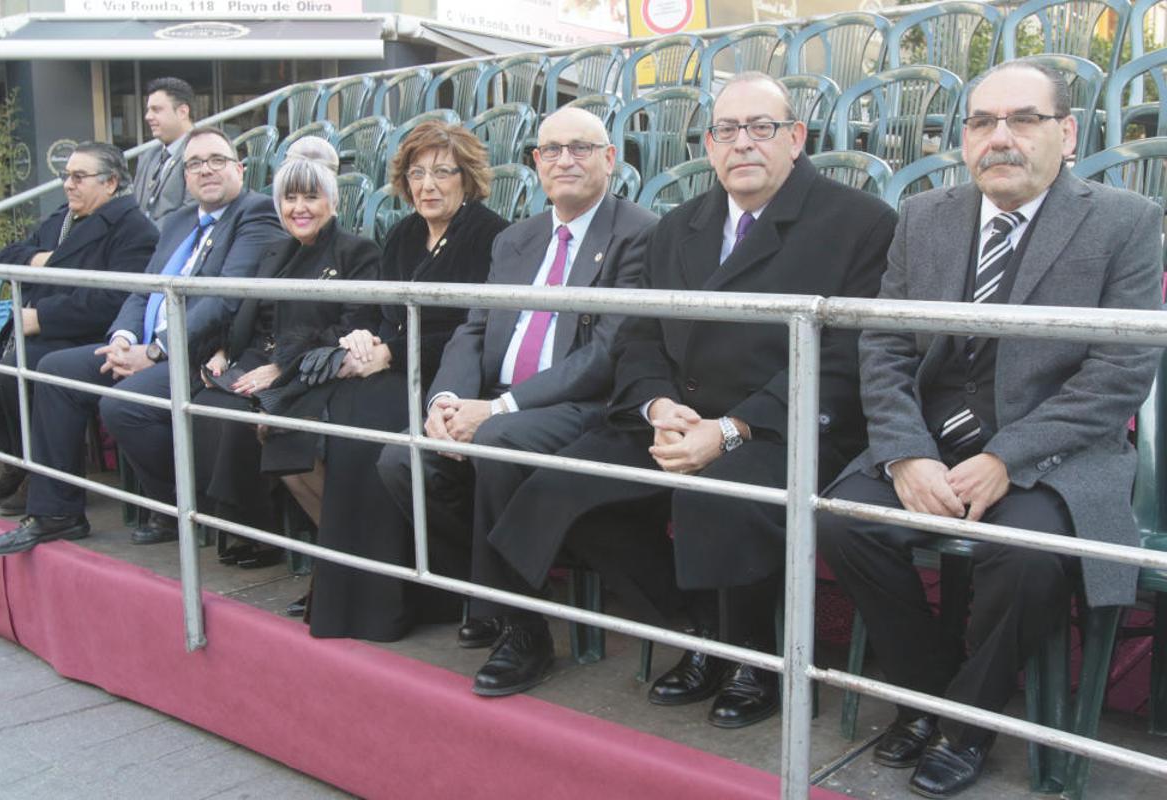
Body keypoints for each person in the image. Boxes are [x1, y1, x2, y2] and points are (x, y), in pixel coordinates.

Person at [476, 73, 895, 711]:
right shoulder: (677, 227)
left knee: (719, 495)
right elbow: (639, 337)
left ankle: (755, 658)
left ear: (796, 138)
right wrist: (656, 406)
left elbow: (846, 358)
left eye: (761, 128)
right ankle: (698, 631)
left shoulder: (860, 223)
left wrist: (731, 429)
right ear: (708, 145)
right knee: (560, 488)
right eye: (727, 130)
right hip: (677, 416)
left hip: (786, 422)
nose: (743, 143)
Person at [816, 62, 1163, 799]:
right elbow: (883, 343)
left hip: (1056, 451)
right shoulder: (923, 215)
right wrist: (905, 453)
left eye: (1023, 119)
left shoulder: (1125, 220)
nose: (999, 137)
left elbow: (1120, 371)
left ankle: (965, 725)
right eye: (981, 122)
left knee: (1031, 557)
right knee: (844, 520)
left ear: (1067, 133)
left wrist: (1008, 456)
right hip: (933, 436)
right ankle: (929, 695)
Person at [357, 107, 656, 644]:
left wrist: (499, 408)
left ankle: (522, 631)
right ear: (537, 162)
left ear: (610, 158)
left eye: (581, 148)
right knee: (402, 460)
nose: (565, 160)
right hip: (498, 401)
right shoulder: (516, 239)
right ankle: (487, 591)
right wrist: (445, 401)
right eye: (552, 150)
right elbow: (473, 330)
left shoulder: (639, 233)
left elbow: (607, 353)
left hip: (584, 405)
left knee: (497, 440)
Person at [0, 126, 285, 555]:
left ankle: (183, 505)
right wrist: (124, 339)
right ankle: (57, 512)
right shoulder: (179, 221)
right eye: (195, 163)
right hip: (145, 346)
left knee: (123, 405)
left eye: (217, 160)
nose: (206, 170)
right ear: (185, 176)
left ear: (239, 169)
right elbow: (141, 290)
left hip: (204, 353)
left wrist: (157, 350)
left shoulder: (255, 214)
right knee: (54, 370)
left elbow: (224, 299)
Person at [307, 121, 509, 632]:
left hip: (451, 378)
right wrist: (365, 340)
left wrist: (391, 353)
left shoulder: (491, 235)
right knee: (340, 415)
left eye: (442, 173)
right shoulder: (402, 233)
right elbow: (381, 312)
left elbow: (476, 331)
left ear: (467, 177)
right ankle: (344, 592)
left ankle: (404, 599)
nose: (428, 186)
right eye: (417, 174)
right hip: (394, 367)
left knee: (372, 430)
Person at [189, 136, 381, 562]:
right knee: (204, 406)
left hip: (305, 366)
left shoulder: (357, 252)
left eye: (311, 197)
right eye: (290, 198)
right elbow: (247, 313)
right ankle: (240, 525)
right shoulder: (275, 250)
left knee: (241, 419)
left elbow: (353, 324)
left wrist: (282, 367)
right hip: (255, 357)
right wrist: (223, 351)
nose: (299, 208)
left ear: (332, 201)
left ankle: (268, 533)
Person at [0, 142, 159, 515]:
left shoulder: (134, 229)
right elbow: (8, 255)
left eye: (79, 176)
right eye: (66, 176)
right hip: (29, 331)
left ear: (110, 182)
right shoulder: (62, 218)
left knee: (15, 371)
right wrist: (48, 260)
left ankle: (44, 475)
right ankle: (17, 460)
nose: (68, 184)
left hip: (78, 338)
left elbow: (116, 301)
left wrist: (43, 317)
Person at [132, 77, 196, 227]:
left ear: (182, 112)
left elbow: (192, 215)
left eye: (156, 110)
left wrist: (144, 237)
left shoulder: (203, 152)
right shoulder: (148, 156)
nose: (148, 117)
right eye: (148, 110)